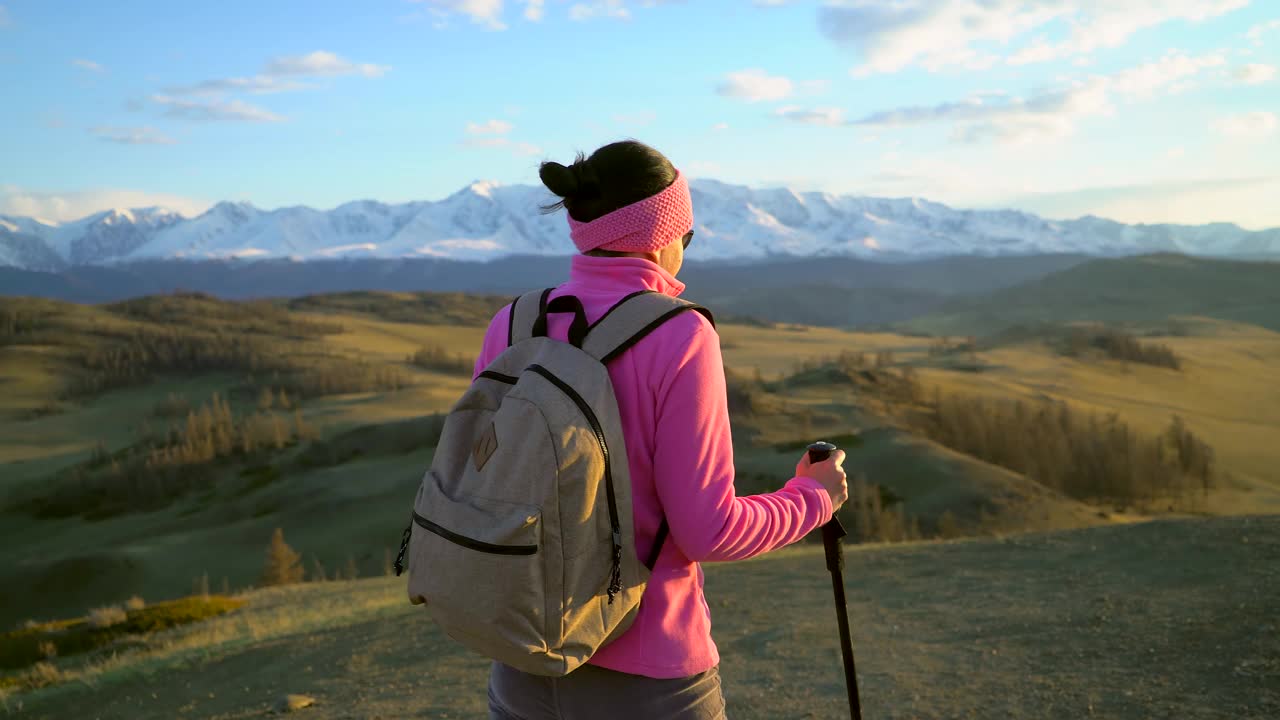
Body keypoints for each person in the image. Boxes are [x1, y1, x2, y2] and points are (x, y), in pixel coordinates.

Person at [471, 139, 849, 720]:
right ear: (661, 234)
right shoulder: (680, 336)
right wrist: (813, 498)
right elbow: (709, 532)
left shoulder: (514, 323)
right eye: (688, 233)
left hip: (522, 662)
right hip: (650, 681)